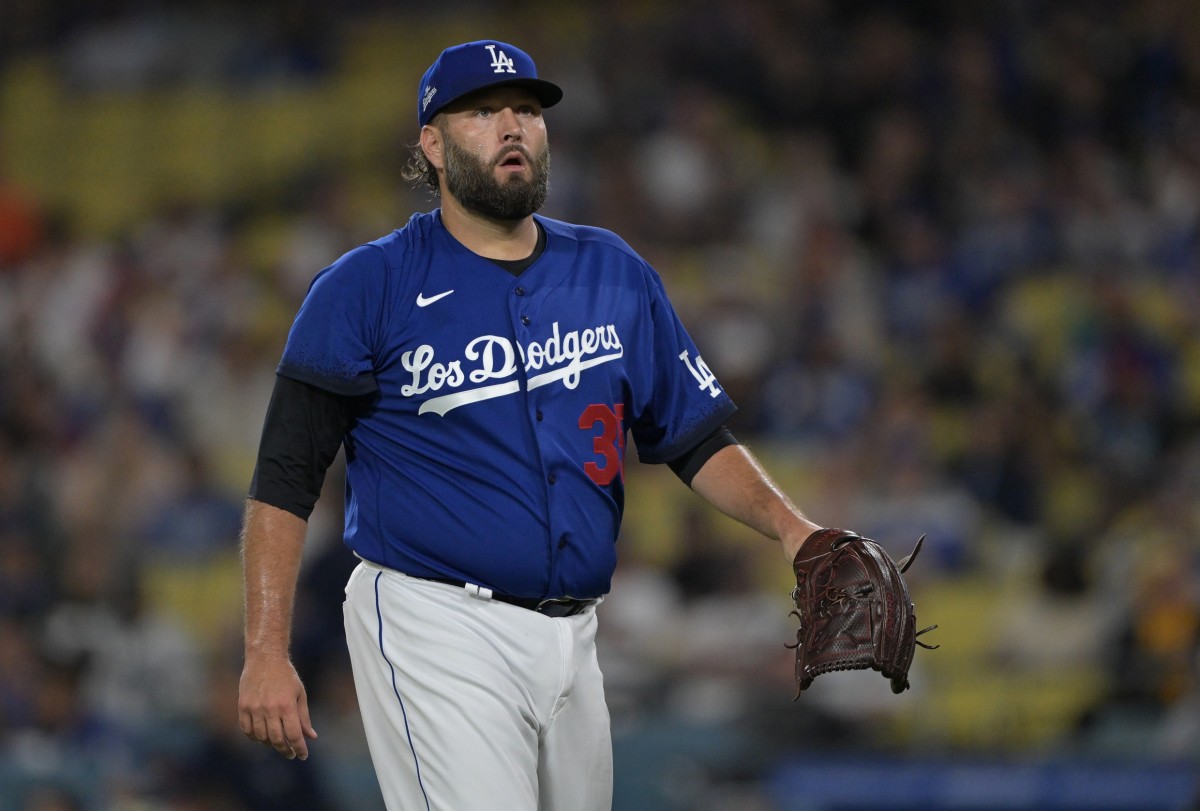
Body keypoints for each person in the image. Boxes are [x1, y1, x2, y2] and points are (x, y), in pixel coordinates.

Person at [237, 39, 827, 811]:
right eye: (482, 112)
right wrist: (264, 649)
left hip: (577, 636)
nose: (512, 126)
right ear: (432, 144)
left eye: (526, 110)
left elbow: (692, 437)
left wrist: (794, 528)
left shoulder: (611, 271)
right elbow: (283, 478)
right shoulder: (365, 286)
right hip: (433, 619)